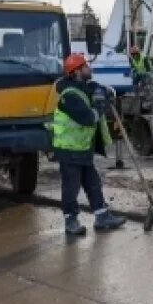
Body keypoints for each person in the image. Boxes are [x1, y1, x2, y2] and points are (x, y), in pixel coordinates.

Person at [51, 53, 128, 236]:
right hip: (69, 151)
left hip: (82, 149)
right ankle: (71, 221)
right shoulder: (69, 96)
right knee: (71, 187)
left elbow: (93, 88)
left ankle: (102, 217)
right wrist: (100, 106)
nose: (89, 68)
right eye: (85, 66)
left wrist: (102, 91)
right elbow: (88, 118)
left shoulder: (83, 87)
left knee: (93, 183)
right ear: (77, 71)